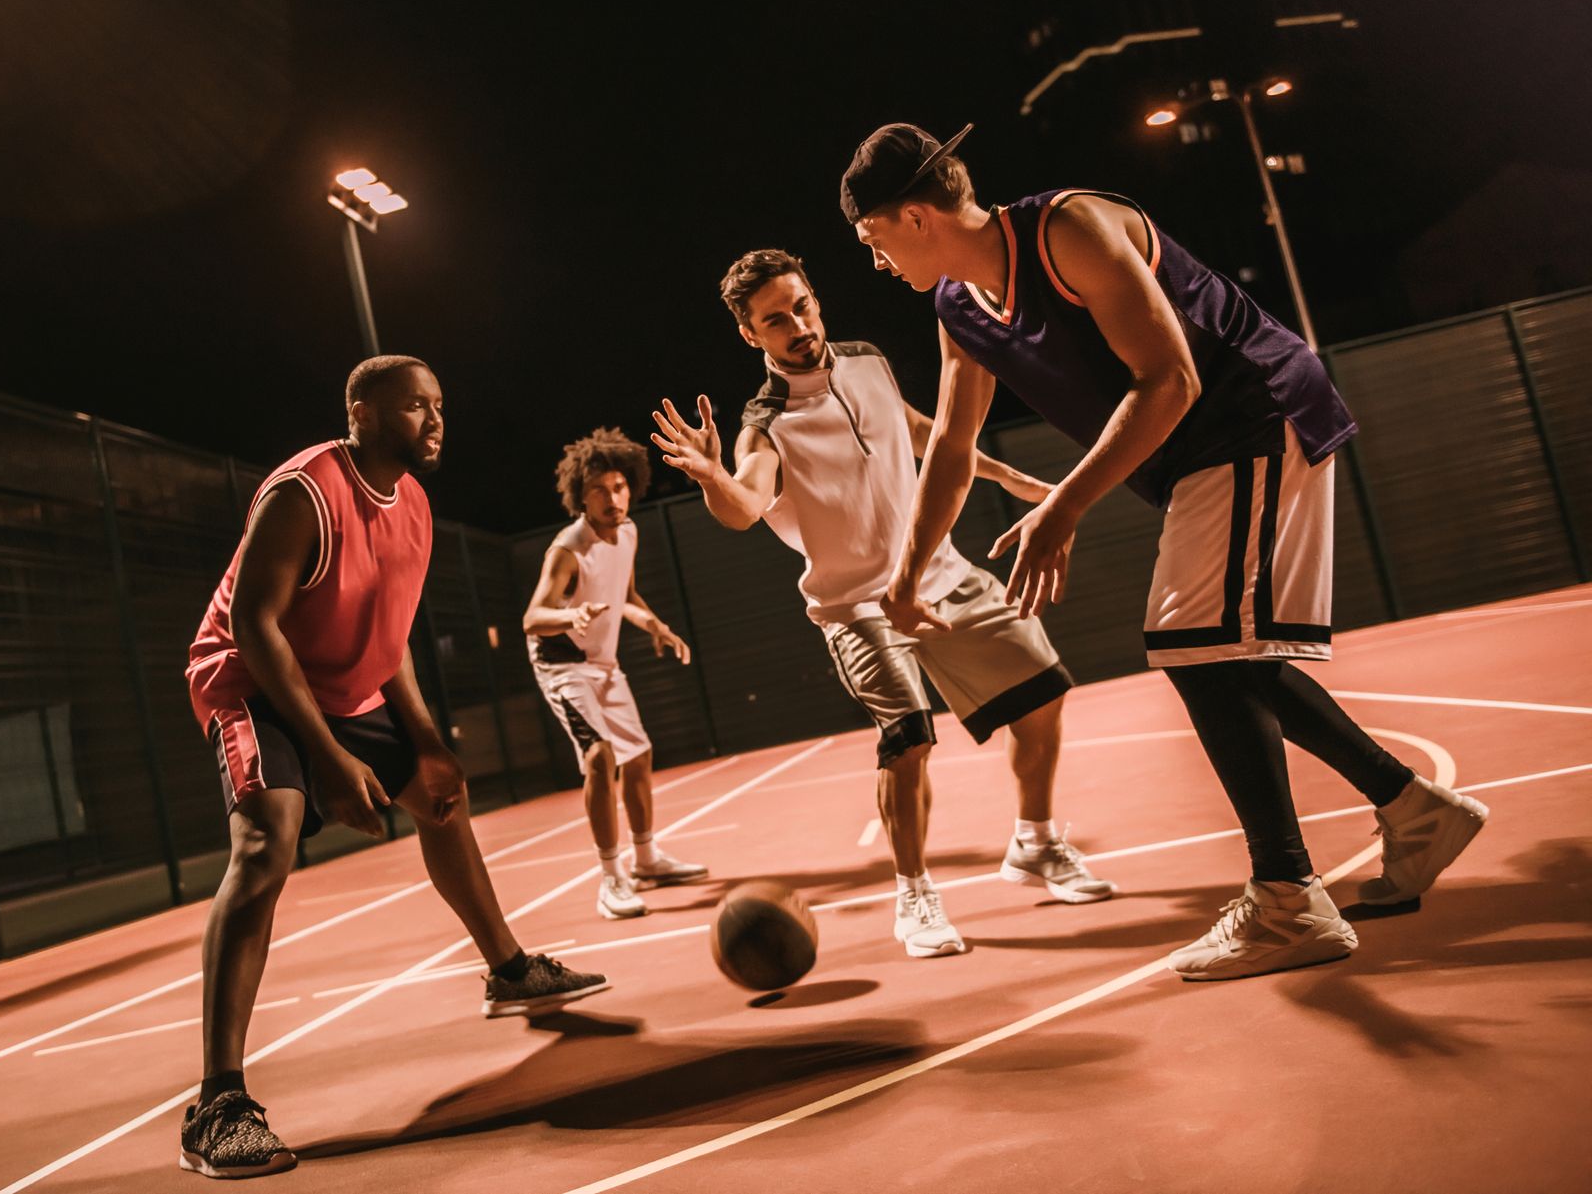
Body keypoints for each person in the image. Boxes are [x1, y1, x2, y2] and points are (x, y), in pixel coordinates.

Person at [841, 122, 1487, 981]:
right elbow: (953, 448)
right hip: (1198, 455)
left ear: (915, 215)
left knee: (1194, 642)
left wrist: (1062, 508)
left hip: (1255, 412)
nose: (875, 260)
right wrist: (910, 572)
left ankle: (1288, 898)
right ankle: (1413, 810)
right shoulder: (958, 306)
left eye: (872, 237)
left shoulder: (1066, 229)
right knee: (1221, 654)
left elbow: (1171, 378)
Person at [180, 355, 607, 1178]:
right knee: (266, 844)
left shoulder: (413, 503)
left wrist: (426, 738)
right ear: (363, 415)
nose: (436, 419)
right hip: (251, 680)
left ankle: (510, 971)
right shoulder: (304, 490)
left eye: (440, 404)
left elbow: (390, 631)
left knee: (443, 798)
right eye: (416, 406)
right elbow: (257, 624)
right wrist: (332, 758)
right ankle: (218, 1103)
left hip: (347, 686)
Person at [650, 249, 1115, 960]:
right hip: (855, 605)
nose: (798, 325)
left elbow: (925, 431)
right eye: (775, 320)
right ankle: (915, 892)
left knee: (1045, 691)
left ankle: (1037, 840)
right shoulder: (764, 422)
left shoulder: (865, 359)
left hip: (940, 573)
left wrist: (1012, 476)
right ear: (751, 335)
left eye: (801, 305)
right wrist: (713, 474)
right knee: (909, 738)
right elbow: (745, 505)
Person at [522, 428, 708, 920]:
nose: (613, 497)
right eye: (600, 489)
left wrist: (655, 624)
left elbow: (625, 593)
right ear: (580, 494)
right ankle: (611, 878)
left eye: (620, 486)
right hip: (562, 664)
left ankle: (646, 859)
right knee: (601, 757)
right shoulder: (568, 548)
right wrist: (572, 616)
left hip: (603, 664)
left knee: (640, 756)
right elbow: (533, 616)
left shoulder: (628, 532)